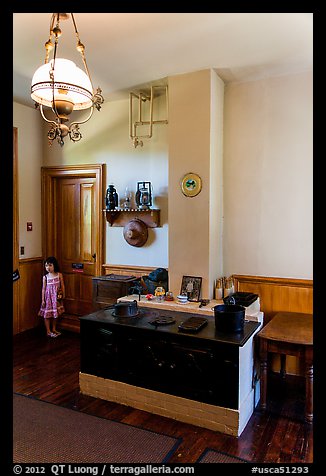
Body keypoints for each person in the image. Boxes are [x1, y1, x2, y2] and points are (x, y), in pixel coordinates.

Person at [38, 256, 65, 337]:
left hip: (56, 298)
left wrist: (64, 294)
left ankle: (54, 329)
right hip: (48, 299)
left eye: (50, 265)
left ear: (54, 265)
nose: (48, 267)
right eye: (46, 265)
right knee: (47, 314)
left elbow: (62, 285)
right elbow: (43, 289)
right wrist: (43, 300)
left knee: (55, 313)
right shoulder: (45, 277)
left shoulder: (59, 275)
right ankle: (48, 331)